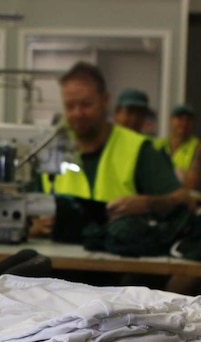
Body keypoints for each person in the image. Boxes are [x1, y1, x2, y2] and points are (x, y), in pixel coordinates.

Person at [31, 62, 191, 238]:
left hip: (121, 261)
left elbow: (185, 201)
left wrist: (148, 204)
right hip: (61, 260)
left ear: (105, 101)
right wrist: (34, 227)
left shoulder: (138, 149)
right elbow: (23, 212)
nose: (78, 113)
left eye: (86, 104)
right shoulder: (48, 151)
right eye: (70, 106)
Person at [155, 104, 201, 190]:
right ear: (170, 120)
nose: (184, 123)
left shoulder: (198, 147)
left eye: (188, 120)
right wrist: (180, 174)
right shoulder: (157, 144)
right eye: (180, 118)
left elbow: (191, 182)